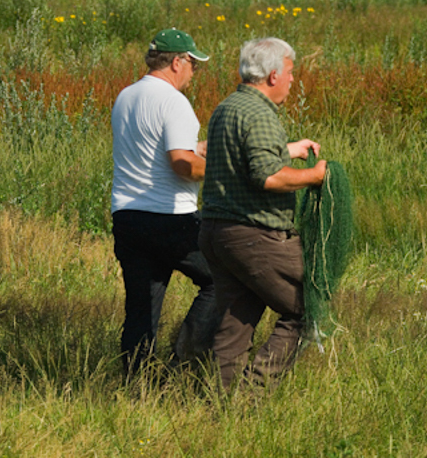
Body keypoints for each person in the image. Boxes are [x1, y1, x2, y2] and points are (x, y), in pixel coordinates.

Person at [198, 37, 327, 390]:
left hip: (216, 233)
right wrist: (315, 177)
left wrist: (290, 150)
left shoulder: (229, 107)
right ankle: (253, 394)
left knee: (235, 323)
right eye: (289, 72)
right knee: (307, 307)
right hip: (254, 235)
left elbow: (244, 158)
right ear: (272, 75)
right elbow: (267, 176)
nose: (292, 80)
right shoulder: (260, 114)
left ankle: (224, 407)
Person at [111, 28, 220, 376]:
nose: (194, 72)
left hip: (128, 218)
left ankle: (135, 386)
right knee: (224, 278)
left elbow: (158, 152)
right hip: (171, 218)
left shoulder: (126, 97)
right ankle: (182, 361)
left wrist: (202, 148)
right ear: (177, 62)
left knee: (142, 310)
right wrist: (226, 172)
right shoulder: (174, 102)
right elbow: (181, 164)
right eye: (193, 64)